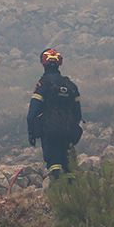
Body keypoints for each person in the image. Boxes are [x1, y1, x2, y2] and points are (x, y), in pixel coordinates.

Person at [27, 48, 83, 182]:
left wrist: (32, 132)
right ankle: (72, 195)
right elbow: (78, 115)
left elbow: (32, 113)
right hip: (68, 131)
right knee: (68, 164)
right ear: (59, 63)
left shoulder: (43, 85)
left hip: (50, 131)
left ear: (43, 63)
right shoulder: (71, 86)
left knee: (54, 164)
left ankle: (57, 192)